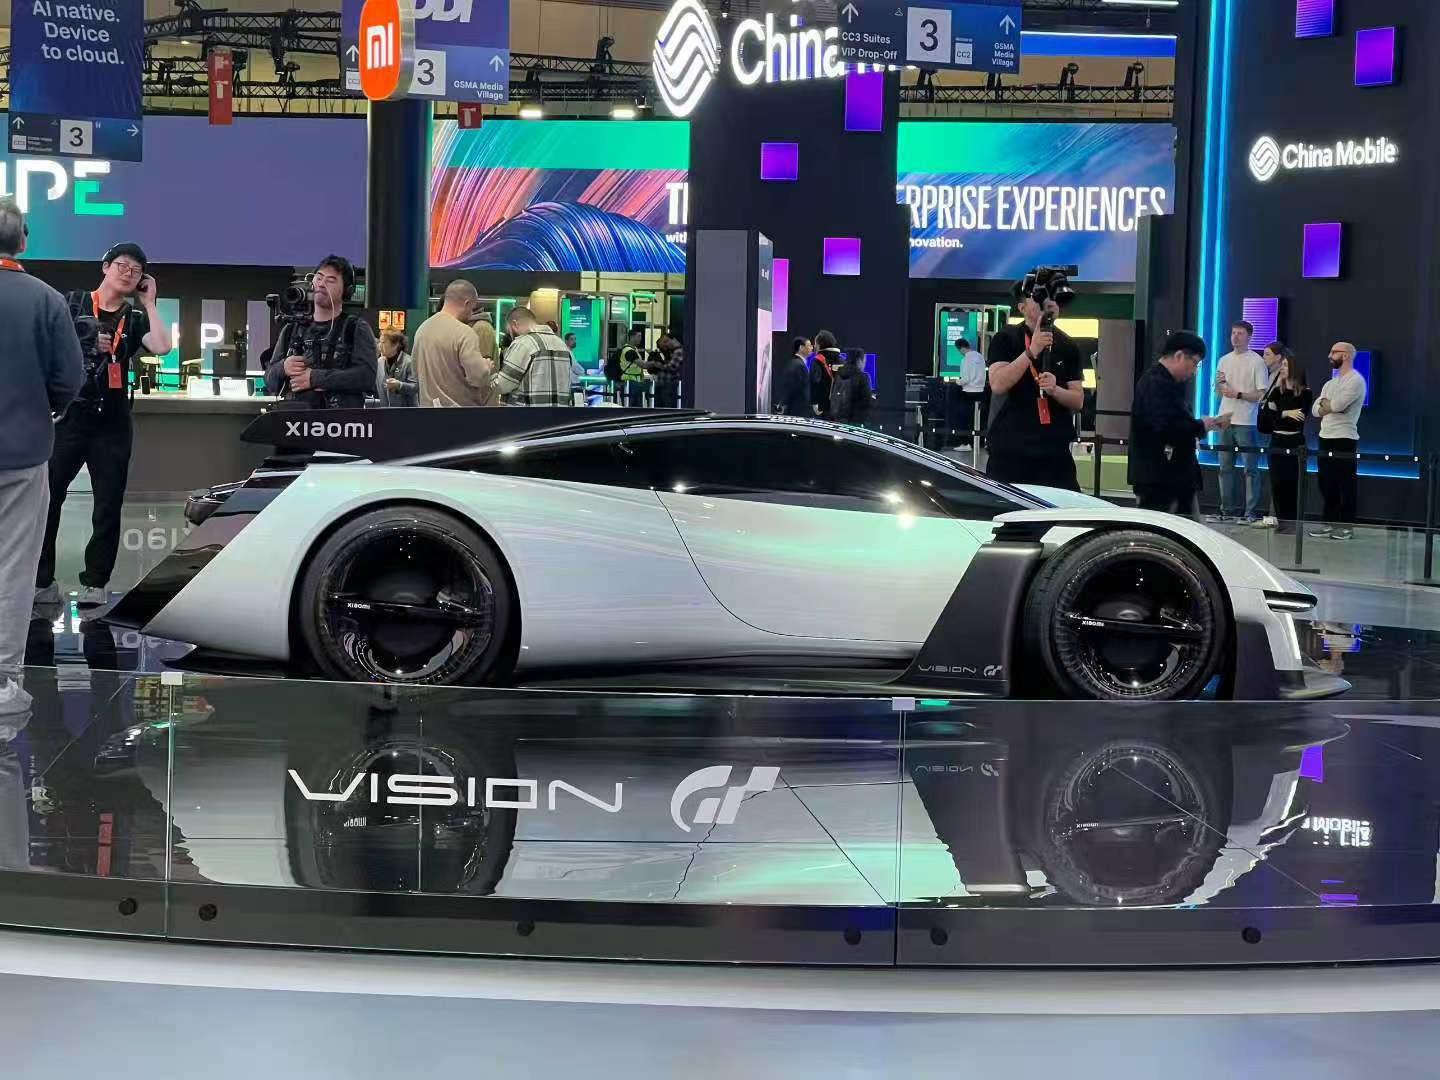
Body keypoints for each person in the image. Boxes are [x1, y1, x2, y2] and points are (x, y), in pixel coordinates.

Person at [35, 241, 172, 612]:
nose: (128, 273)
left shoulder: (135, 318)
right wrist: (83, 341)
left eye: (136, 270)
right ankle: (42, 581)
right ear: (106, 267)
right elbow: (46, 346)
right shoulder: (74, 303)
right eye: (122, 265)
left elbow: (162, 347)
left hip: (112, 423)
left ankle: (95, 582)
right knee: (49, 499)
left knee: (108, 505)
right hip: (69, 418)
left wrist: (150, 303)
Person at [0, 198, 83, 713]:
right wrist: (44, 409)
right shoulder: (48, 300)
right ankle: (2, 680)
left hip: (23, 447)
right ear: (24, 241)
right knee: (13, 566)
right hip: (22, 451)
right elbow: (69, 379)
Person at [985, 275, 1086, 491]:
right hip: (1011, 450)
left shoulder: (1068, 345)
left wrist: (1055, 390)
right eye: (1040, 296)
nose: (1048, 302)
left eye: (1052, 296)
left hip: (1054, 452)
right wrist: (1032, 351)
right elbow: (998, 384)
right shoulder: (1006, 338)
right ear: (1022, 308)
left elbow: (1078, 400)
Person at [1129, 331, 1232, 518]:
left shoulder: (1165, 383)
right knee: (1167, 530)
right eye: (1194, 363)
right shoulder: (1156, 383)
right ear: (1179, 356)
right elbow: (1166, 427)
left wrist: (1201, 425)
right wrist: (1200, 426)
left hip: (1173, 477)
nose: (1194, 371)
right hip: (1161, 478)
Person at [263, 255, 377, 411]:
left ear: (346, 291)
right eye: (319, 278)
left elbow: (366, 377)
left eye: (331, 280)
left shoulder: (355, 328)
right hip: (296, 421)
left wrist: (315, 378)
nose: (322, 284)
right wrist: (283, 367)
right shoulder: (291, 330)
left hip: (342, 421)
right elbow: (269, 381)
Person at [1210, 319, 1268, 524]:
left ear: (1249, 336)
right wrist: (1220, 388)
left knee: (1250, 469)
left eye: (1240, 333)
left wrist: (1238, 394)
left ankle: (1250, 512)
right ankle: (1227, 510)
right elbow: (1218, 391)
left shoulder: (1256, 362)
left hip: (1246, 421)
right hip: (1224, 418)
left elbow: (1261, 394)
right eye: (1233, 333)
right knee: (1224, 468)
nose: (1235, 337)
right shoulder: (1223, 360)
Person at [1310, 341, 1367, 541]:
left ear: (1346, 355)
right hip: (1325, 437)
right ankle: (1329, 521)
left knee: (1346, 484)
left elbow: (1338, 405)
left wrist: (1330, 405)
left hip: (1345, 438)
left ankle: (1346, 526)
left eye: (1334, 352)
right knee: (1326, 483)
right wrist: (1329, 405)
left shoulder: (1356, 380)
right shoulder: (1330, 383)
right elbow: (1315, 410)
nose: (1329, 355)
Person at [412, 280, 493, 408]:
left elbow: (415, 374)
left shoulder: (422, 329)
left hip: (427, 412)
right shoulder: (465, 333)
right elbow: (477, 378)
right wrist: (486, 368)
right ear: (467, 304)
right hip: (459, 414)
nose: (471, 314)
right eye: (472, 309)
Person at [1258, 348, 1312, 533]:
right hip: (1276, 442)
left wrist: (1278, 414)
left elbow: (1298, 418)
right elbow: (1266, 421)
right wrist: (1285, 413)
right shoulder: (1276, 392)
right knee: (1277, 483)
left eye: (1286, 365)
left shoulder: (1305, 393)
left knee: (1293, 484)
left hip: (1294, 442)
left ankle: (1293, 524)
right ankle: (1281, 522)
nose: (1282, 368)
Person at [493, 306, 574, 406]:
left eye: (509, 330)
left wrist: (487, 373)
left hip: (527, 415)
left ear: (515, 324)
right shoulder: (562, 345)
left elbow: (502, 385)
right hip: (560, 415)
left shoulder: (523, 343)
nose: (510, 335)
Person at [955, 336, 988, 443]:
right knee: (979, 419)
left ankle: (966, 443)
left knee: (966, 420)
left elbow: (966, 379)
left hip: (968, 393)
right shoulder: (980, 357)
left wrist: (957, 381)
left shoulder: (965, 360)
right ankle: (980, 442)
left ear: (961, 348)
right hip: (981, 392)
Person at [830, 348, 874, 425]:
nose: (864, 364)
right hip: (856, 424)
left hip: (838, 422)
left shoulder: (838, 376)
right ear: (859, 361)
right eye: (864, 361)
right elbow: (867, 403)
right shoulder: (863, 377)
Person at [377, 330, 417, 407]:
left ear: (395, 345)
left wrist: (399, 385)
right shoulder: (379, 362)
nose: (379, 345)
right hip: (384, 411)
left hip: (406, 412)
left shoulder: (408, 362)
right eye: (379, 342)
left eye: (383, 342)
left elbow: (415, 387)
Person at [775, 336, 812, 416]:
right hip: (798, 410)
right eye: (809, 345)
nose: (812, 348)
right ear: (801, 348)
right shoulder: (798, 365)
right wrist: (783, 403)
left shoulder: (797, 363)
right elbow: (791, 387)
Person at [612, 327, 648, 407]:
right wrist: (655, 363)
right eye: (638, 336)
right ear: (632, 337)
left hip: (633, 383)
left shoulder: (633, 349)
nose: (640, 339)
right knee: (632, 408)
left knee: (635, 408)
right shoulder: (629, 351)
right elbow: (642, 365)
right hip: (630, 384)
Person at [647, 330, 683, 409]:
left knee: (666, 407)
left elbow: (672, 367)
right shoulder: (672, 352)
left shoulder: (679, 352)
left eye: (665, 343)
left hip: (669, 386)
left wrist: (657, 364)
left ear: (671, 340)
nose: (665, 347)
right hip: (665, 385)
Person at [811, 329, 841, 418]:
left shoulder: (817, 361)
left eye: (815, 343)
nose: (814, 346)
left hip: (823, 409)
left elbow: (815, 383)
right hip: (840, 408)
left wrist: (815, 405)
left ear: (819, 345)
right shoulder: (842, 360)